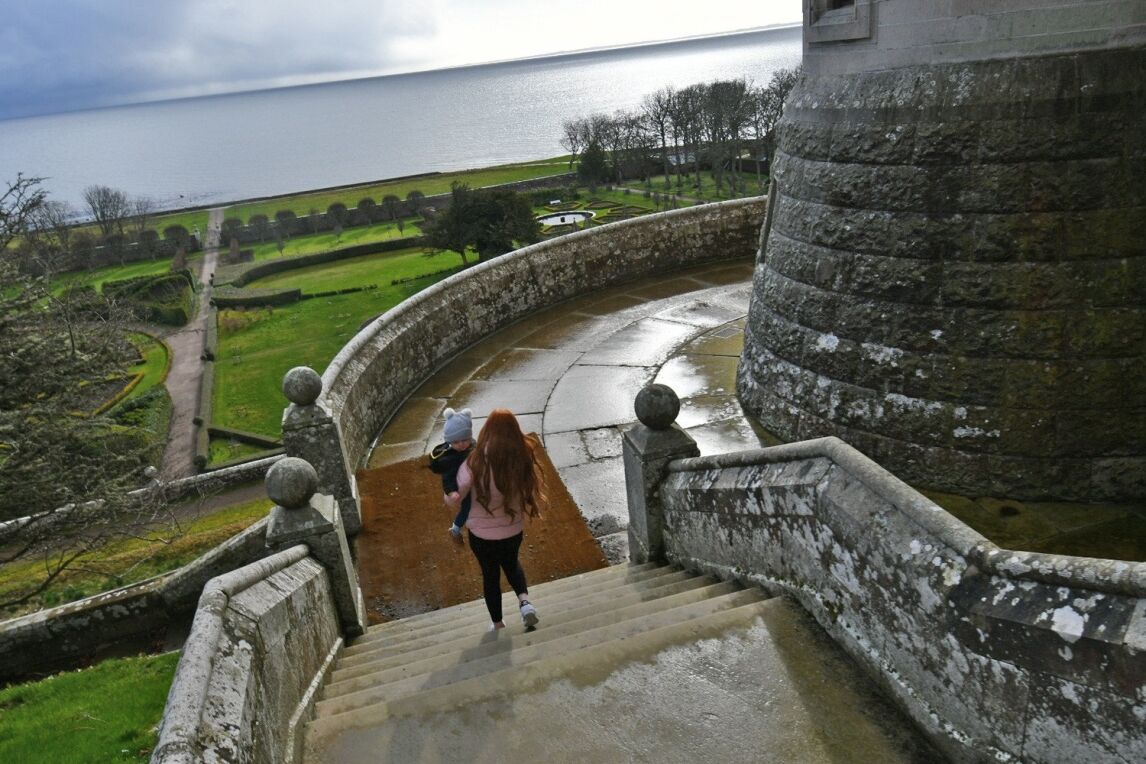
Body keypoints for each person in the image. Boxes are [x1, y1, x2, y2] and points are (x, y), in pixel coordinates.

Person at [447, 408, 546, 632]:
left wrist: (449, 493)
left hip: (481, 535)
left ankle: (498, 623)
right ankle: (525, 603)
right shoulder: (521, 457)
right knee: (512, 564)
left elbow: (456, 496)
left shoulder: (474, 462)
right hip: (513, 529)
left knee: (490, 575)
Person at [428, 407, 474, 544]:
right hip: (464, 487)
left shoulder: (472, 446)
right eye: (456, 442)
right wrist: (451, 491)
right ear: (449, 442)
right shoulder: (450, 458)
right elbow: (447, 477)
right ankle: (456, 527)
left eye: (465, 440)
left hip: (474, 481)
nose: (461, 445)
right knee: (467, 507)